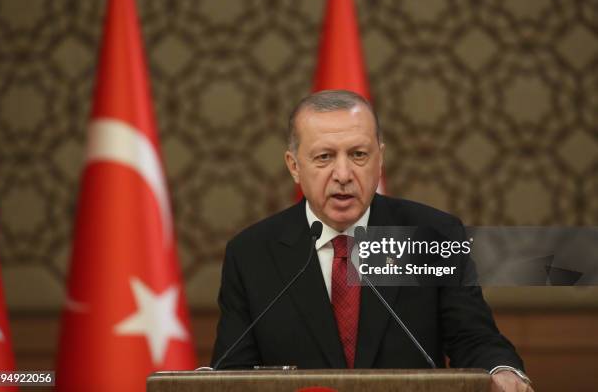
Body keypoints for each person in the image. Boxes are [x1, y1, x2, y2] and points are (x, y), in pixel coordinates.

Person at [211, 90, 533, 391]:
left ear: (380, 159)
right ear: (294, 166)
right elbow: (232, 371)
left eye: (358, 155)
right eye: (324, 157)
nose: (343, 174)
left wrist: (500, 371)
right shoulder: (253, 254)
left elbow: (474, 338)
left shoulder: (429, 237)